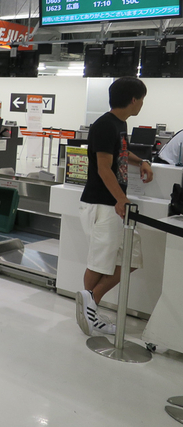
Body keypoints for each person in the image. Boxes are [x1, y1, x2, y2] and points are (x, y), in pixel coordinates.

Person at [76, 77, 154, 336]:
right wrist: (121, 199)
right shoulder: (105, 125)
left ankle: (89, 304)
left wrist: (141, 160)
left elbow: (119, 154)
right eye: (141, 98)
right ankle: (89, 313)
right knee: (99, 262)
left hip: (112, 204)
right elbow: (103, 168)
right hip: (102, 203)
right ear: (133, 99)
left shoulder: (120, 124)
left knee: (130, 257)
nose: (142, 103)